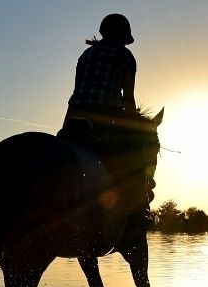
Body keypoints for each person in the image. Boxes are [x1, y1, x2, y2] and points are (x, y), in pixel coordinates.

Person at [58, 14, 156, 218]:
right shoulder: (125, 56)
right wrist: (135, 128)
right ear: (122, 37)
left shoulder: (86, 55)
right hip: (104, 120)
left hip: (74, 118)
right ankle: (138, 212)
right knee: (133, 161)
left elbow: (76, 91)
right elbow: (128, 99)